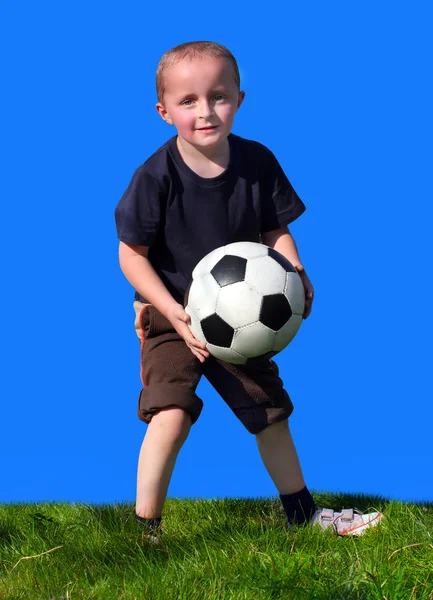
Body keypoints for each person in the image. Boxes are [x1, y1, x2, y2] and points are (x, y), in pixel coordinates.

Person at [115, 41, 382, 543]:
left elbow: (274, 229)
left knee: (270, 413)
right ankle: (144, 530)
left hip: (245, 319)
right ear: (164, 111)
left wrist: (295, 269)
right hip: (175, 316)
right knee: (169, 411)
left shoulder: (256, 162)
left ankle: (303, 514)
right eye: (188, 100)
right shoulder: (155, 177)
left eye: (218, 96)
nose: (205, 111)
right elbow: (131, 254)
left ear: (239, 98)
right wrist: (170, 312)